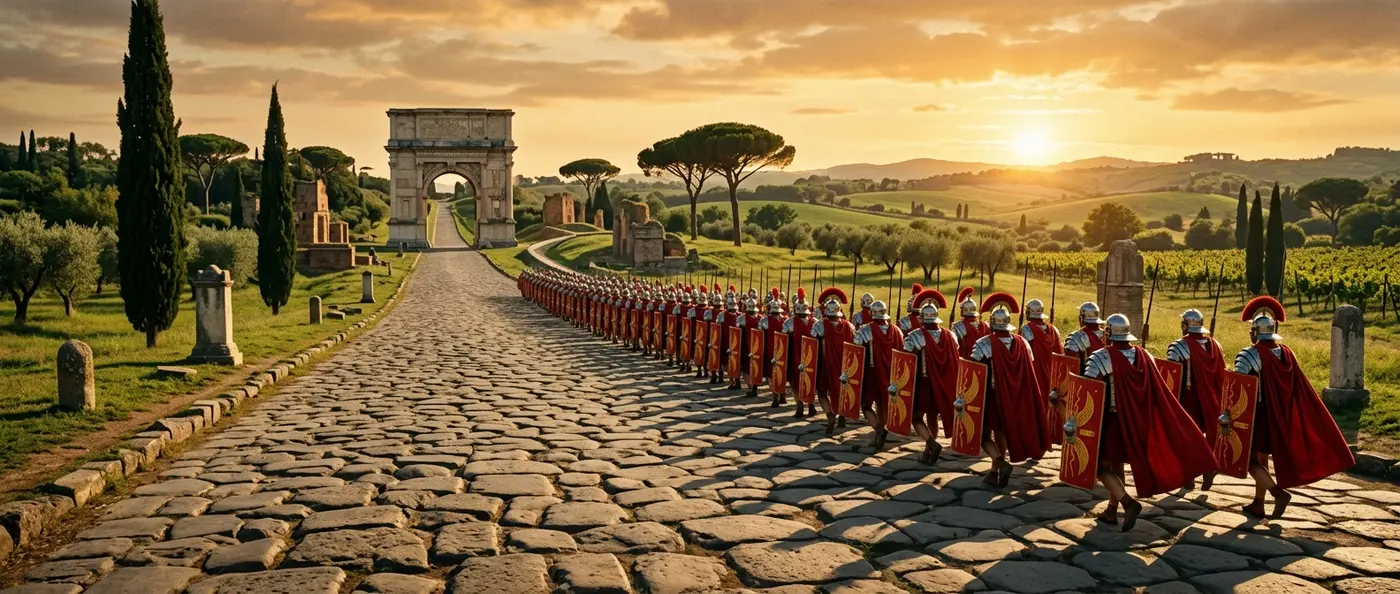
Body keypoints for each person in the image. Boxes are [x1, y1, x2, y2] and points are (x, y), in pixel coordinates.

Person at [1082, 313, 1218, 531]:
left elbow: (1089, 393)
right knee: (1116, 465)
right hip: (1137, 422)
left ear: (1108, 333)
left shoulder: (1099, 358)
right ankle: (1111, 509)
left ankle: (1128, 503)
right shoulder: (1144, 355)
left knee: (1101, 468)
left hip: (1112, 423)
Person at [1233, 297, 1354, 519]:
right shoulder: (1286, 352)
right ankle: (1258, 503)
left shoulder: (1249, 355)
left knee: (1248, 460)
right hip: (1280, 414)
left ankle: (1278, 494)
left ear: (1254, 332)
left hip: (1258, 416)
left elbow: (1237, 388)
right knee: (1262, 458)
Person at [968, 293, 1051, 488]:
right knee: (1001, 432)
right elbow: (1028, 367)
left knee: (982, 435)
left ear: (992, 322)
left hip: (993, 397)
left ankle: (1000, 462)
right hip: (1016, 397)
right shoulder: (1022, 342)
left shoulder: (983, 344)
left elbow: (973, 372)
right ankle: (993, 471)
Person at [1166, 308, 1225, 490]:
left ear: (1185, 325)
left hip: (1188, 397)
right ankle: (1203, 469)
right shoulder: (1215, 345)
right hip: (1212, 398)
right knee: (1203, 435)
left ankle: (1192, 475)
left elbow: (1171, 376)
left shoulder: (1179, 347)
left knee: (1185, 437)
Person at [904, 289, 958, 465]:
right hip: (943, 384)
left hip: (925, 383)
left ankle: (932, 444)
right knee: (932, 417)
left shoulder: (916, 336)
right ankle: (928, 452)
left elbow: (906, 357)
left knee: (916, 417)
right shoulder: (950, 335)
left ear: (922, 317)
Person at [854, 299, 904, 449]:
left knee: (866, 406)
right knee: (882, 405)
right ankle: (878, 437)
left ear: (871, 313)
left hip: (873, 373)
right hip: (892, 375)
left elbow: (856, 346)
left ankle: (879, 431)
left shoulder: (866, 330)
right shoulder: (897, 330)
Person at [813, 287, 856, 434]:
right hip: (845, 366)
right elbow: (855, 343)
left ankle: (830, 414)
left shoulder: (820, 325)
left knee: (822, 392)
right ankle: (842, 414)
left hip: (826, 364)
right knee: (842, 390)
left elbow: (812, 341)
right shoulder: (849, 325)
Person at [1020, 298, 1063, 406]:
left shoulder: (1026, 329)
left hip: (1035, 373)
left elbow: (1022, 355)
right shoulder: (1054, 329)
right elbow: (1060, 353)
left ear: (1028, 312)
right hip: (1053, 374)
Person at [782, 288, 817, 417]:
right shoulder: (815, 322)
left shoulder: (789, 322)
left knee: (796, 382)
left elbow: (783, 336)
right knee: (808, 381)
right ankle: (809, 404)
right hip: (806, 357)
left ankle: (800, 405)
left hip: (797, 357)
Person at [759, 289, 789, 403]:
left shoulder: (765, 320)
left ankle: (775, 395)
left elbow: (760, 333)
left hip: (771, 350)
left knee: (771, 374)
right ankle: (782, 393)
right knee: (782, 372)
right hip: (782, 350)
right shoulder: (786, 320)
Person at [950, 287, 988, 359]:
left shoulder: (958, 326)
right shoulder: (986, 325)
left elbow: (953, 348)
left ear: (962, 310)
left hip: (966, 361)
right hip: (982, 362)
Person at [1064, 302, 1105, 368]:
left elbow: (1069, 364)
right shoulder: (1108, 336)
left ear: (1082, 317)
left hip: (1086, 373)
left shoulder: (1076, 337)